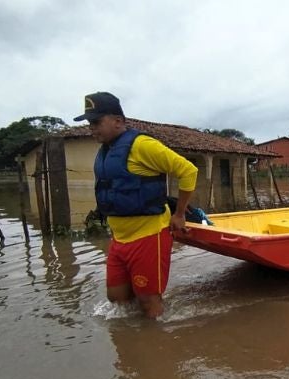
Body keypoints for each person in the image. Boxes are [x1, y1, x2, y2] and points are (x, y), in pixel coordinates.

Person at [74, 92, 198, 319]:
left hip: (149, 235)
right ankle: (130, 345)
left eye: (96, 122)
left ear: (118, 121)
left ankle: (155, 345)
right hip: (119, 238)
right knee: (117, 299)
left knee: (148, 301)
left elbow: (188, 171)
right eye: (89, 123)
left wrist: (179, 214)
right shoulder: (105, 151)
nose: (91, 128)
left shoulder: (143, 145)